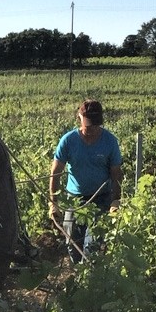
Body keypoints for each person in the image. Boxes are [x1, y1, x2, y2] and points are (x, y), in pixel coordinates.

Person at [49, 99, 123, 260]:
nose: (92, 129)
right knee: (73, 244)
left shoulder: (110, 141)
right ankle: (79, 274)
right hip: (75, 200)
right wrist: (53, 203)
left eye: (96, 125)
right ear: (79, 118)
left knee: (94, 246)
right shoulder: (69, 141)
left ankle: (92, 277)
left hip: (101, 198)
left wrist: (116, 200)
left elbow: (116, 173)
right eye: (89, 124)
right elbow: (56, 172)